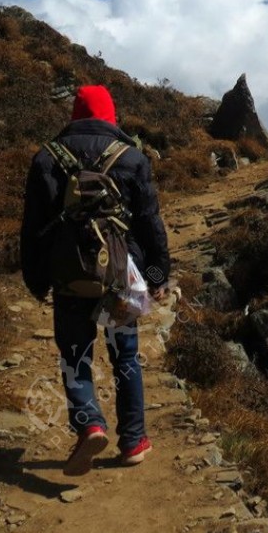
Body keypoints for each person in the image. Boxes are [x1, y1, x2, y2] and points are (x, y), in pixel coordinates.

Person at [20, 85, 171, 476]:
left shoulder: (47, 158)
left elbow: (32, 228)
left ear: (75, 115)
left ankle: (90, 424)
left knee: (75, 356)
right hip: (120, 273)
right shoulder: (132, 158)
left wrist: (37, 280)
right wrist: (157, 277)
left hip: (69, 275)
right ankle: (134, 441)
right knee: (125, 356)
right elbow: (151, 224)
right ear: (110, 116)